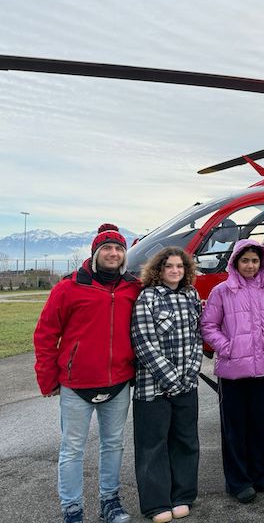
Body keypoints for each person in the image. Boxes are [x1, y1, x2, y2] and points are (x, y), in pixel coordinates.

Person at [34, 223, 140, 523]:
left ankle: (110, 501)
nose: (113, 253)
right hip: (76, 384)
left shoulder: (133, 288)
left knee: (113, 444)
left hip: (118, 383)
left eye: (118, 248)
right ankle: (72, 509)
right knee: (72, 449)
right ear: (95, 253)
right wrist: (47, 379)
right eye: (107, 248)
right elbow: (45, 335)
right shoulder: (68, 287)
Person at [200, 239, 264, 504]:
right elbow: (208, 326)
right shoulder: (222, 291)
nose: (250, 265)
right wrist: (228, 347)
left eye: (255, 261)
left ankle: (260, 475)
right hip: (232, 370)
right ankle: (238, 481)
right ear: (235, 262)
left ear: (262, 263)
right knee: (234, 428)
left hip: (261, 368)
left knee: (257, 424)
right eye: (245, 260)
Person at [131, 247, 203, 523]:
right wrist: (171, 379)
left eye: (180, 266)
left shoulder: (191, 296)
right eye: (169, 266)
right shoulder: (147, 298)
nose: (175, 271)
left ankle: (182, 496)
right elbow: (143, 343)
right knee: (153, 446)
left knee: (185, 442)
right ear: (158, 270)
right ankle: (156, 503)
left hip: (187, 385)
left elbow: (197, 338)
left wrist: (189, 374)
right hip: (154, 388)